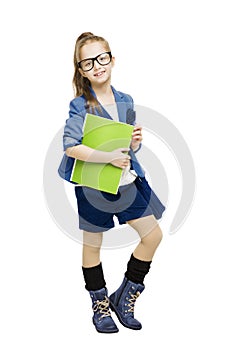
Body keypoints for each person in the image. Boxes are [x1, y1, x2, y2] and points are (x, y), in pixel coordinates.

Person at [58, 32, 165, 333]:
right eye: (88, 62)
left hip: (125, 182)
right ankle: (100, 304)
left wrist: (135, 142)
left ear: (112, 59)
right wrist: (105, 156)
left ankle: (126, 294)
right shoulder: (80, 105)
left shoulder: (125, 100)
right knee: (93, 244)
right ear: (81, 70)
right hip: (93, 186)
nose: (97, 66)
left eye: (102, 58)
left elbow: (126, 149)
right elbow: (69, 146)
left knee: (152, 235)